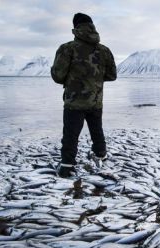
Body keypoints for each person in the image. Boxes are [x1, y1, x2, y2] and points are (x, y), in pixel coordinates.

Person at [51, 13, 117, 177]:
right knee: (97, 130)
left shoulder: (67, 48)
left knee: (71, 135)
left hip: (74, 102)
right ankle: (100, 154)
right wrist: (94, 80)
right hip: (96, 100)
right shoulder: (104, 50)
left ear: (75, 28)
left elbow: (58, 76)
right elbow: (112, 75)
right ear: (92, 26)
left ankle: (67, 166)